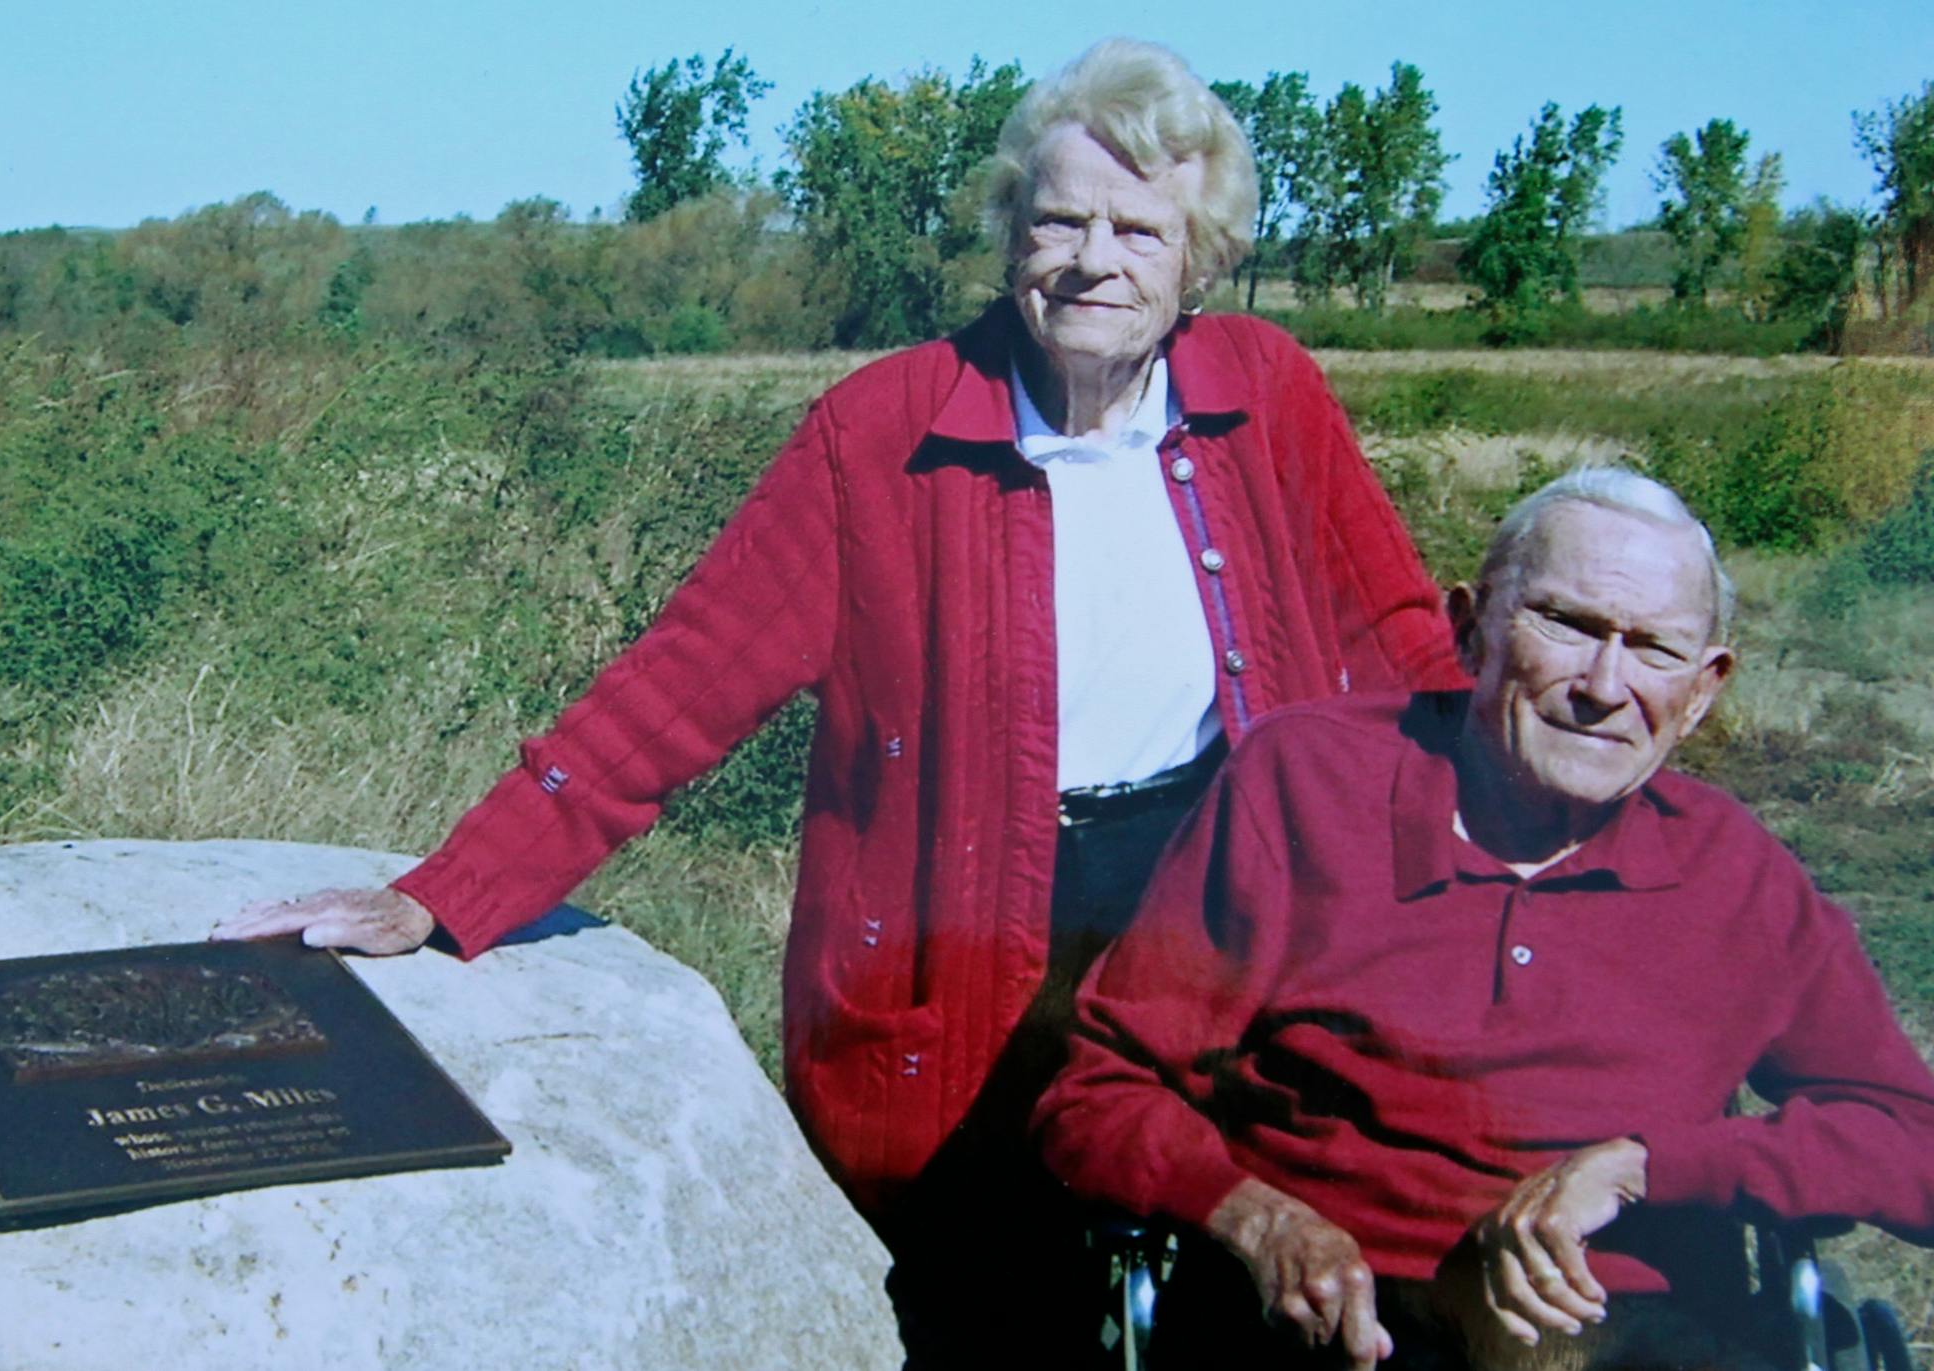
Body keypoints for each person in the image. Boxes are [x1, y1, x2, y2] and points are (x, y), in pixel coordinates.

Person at [215, 38, 1464, 1360]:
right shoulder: (883, 433)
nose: (1094, 256)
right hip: (974, 948)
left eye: (1138, 227)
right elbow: (681, 682)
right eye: (1058, 218)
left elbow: (1396, 641)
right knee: (995, 1303)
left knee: (1233, 1281)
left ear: (1199, 254)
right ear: (1008, 234)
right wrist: (452, 887)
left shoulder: (1267, 395)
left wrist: (1542, 849)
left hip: (1212, 903)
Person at [1034, 468, 1934, 1370]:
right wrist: (1261, 1220)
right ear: (1469, 628)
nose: (1604, 684)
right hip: (1334, 1327)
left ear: (1702, 692)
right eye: (1569, 625)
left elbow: (1913, 1143)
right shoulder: (1304, 785)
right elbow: (1098, 1090)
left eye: (1655, 649)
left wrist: (1643, 1168)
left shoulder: (1737, 877)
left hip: (1633, 1338)